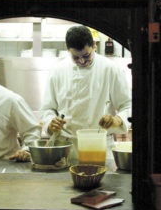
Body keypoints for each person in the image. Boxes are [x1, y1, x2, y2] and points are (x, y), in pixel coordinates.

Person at [40, 25, 132, 160]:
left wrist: (117, 120)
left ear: (94, 45)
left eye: (86, 55)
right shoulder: (57, 71)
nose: (82, 61)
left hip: (100, 145)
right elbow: (47, 109)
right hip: (67, 146)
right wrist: (50, 122)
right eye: (75, 58)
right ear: (68, 50)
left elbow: (128, 105)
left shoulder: (110, 69)